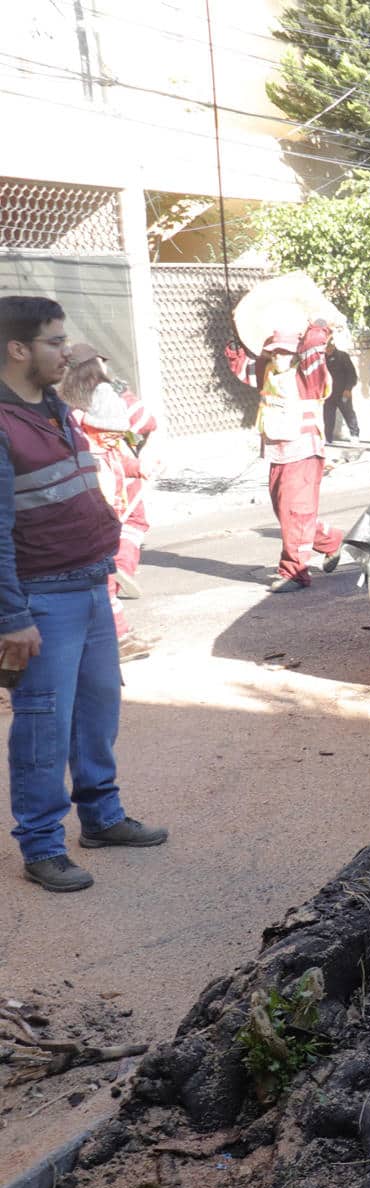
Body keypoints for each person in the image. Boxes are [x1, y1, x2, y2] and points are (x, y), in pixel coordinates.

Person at [0, 296, 169, 892]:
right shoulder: (3, 424)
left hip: (89, 585)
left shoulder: (48, 407)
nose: (65, 349)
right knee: (44, 724)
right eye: (54, 341)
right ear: (17, 349)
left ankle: (101, 818)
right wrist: (12, 616)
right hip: (40, 599)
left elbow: (88, 386)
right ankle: (42, 846)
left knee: (97, 712)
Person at [59, 345, 156, 660]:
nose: (116, 439)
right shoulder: (83, 449)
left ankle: (116, 637)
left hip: (105, 528)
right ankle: (114, 639)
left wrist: (135, 467)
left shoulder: (105, 441)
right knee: (102, 587)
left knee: (105, 586)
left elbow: (120, 456)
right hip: (89, 533)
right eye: (110, 435)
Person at [248, 329, 345, 592]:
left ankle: (295, 572)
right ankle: (331, 541)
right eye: (275, 351)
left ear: (296, 355)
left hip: (304, 451)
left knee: (295, 513)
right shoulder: (268, 373)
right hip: (278, 453)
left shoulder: (308, 375)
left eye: (286, 352)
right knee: (286, 513)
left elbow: (315, 350)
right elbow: (245, 366)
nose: (279, 356)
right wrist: (237, 344)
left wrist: (317, 327)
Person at [322, 330, 360, 446]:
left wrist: (348, 389)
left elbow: (352, 374)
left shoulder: (342, 356)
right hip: (328, 394)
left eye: (329, 346)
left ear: (333, 346)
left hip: (343, 392)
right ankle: (328, 438)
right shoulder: (322, 359)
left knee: (348, 413)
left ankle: (354, 435)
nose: (327, 349)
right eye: (326, 347)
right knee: (328, 417)